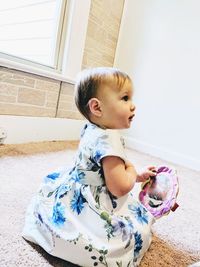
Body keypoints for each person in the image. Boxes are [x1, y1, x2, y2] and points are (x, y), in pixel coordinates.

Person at [22, 67, 156, 266]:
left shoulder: (92, 128)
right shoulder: (109, 141)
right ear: (97, 108)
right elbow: (119, 187)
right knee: (133, 232)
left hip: (76, 188)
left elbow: (107, 169)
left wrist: (135, 174)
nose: (133, 105)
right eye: (125, 98)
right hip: (93, 201)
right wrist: (132, 173)